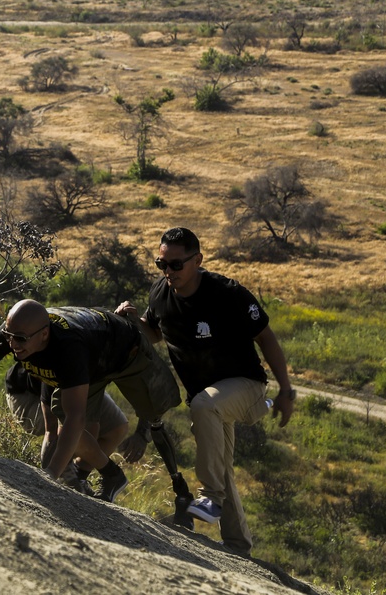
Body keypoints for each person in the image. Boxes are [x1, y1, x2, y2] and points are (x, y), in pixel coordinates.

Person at [116, 226, 296, 557]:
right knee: (220, 462)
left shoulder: (227, 294)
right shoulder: (160, 294)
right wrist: (132, 321)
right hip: (210, 397)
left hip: (246, 386)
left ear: (197, 260)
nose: (168, 272)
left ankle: (210, 497)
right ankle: (238, 545)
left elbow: (266, 338)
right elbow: (154, 333)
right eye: (161, 264)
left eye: (175, 264)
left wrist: (286, 389)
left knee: (204, 408)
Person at [0, 299, 193, 514]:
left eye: (20, 339)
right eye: (9, 336)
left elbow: (74, 419)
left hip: (128, 350)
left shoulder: (69, 349)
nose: (13, 345)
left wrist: (48, 479)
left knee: (158, 402)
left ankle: (103, 476)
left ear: (44, 334)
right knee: (68, 420)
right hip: (92, 356)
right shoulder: (17, 332)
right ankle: (103, 475)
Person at [5, 362, 131, 497]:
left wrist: (143, 432)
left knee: (116, 426)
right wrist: (51, 471)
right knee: (73, 425)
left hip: (79, 382)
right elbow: (52, 426)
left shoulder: (116, 348)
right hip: (27, 393)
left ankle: (80, 476)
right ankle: (80, 476)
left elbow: (147, 386)